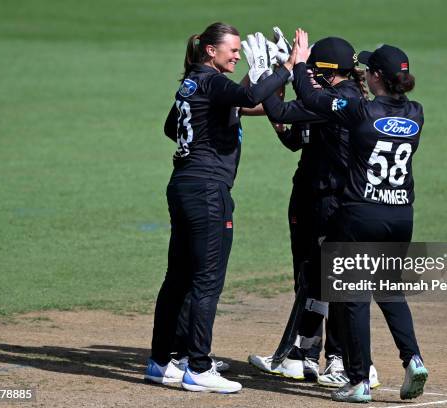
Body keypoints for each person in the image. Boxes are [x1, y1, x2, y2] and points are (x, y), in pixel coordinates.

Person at [144, 22, 296, 394]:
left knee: (177, 278)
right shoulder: (211, 83)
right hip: (208, 192)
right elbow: (248, 96)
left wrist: (222, 114)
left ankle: (161, 362)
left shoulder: (194, 83)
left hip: (182, 186)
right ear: (211, 51)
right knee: (206, 282)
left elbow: (172, 127)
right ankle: (198, 366)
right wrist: (287, 69)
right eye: (232, 49)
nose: (237, 54)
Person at [292, 30, 428, 403]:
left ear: (378, 78)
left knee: (351, 298)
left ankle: (359, 381)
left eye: (368, 69)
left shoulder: (361, 111)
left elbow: (313, 98)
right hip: (402, 216)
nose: (362, 73)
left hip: (360, 213)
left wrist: (300, 63)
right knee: (390, 291)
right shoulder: (416, 113)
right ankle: (412, 358)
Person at [246, 37, 380, 390]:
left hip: (330, 202)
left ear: (323, 73)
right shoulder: (332, 100)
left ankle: (339, 359)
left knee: (329, 281)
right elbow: (295, 137)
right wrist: (283, 82)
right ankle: (306, 355)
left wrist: (272, 74)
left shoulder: (339, 101)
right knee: (313, 280)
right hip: (314, 197)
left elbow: (281, 108)